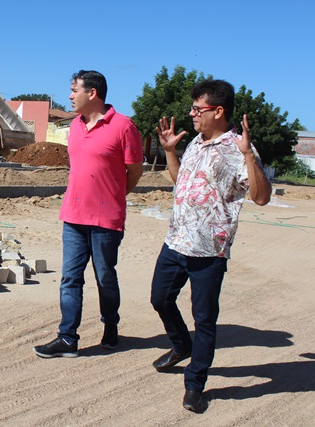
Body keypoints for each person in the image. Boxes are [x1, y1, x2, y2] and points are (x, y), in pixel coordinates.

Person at [149, 79, 272, 412]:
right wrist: (171, 151)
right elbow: (182, 181)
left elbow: (261, 197)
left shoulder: (238, 148)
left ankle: (195, 384)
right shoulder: (196, 143)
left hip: (209, 249)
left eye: (197, 109)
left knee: (204, 318)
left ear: (218, 111)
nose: (191, 114)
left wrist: (249, 156)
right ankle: (180, 345)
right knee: (159, 299)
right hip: (176, 240)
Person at [33, 70, 144, 358]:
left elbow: (134, 172)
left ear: (92, 93)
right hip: (73, 216)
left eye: (74, 89)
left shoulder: (124, 126)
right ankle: (68, 338)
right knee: (70, 278)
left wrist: (114, 196)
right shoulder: (74, 127)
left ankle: (111, 325)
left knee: (105, 277)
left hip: (106, 220)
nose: (70, 96)